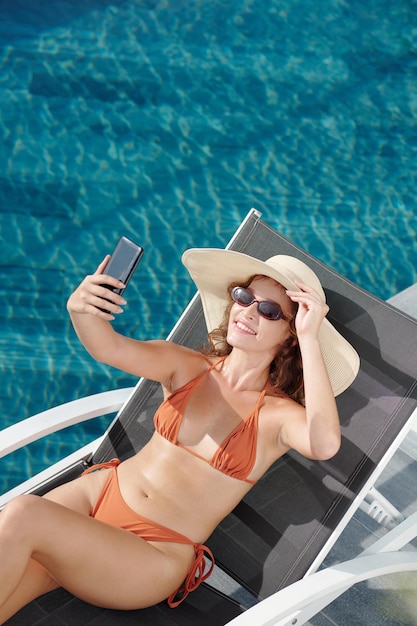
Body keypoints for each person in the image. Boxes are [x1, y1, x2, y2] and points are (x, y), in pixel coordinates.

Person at [0, 247, 359, 623]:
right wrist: (80, 309)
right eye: (244, 297)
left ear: (288, 335)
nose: (250, 311)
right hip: (98, 494)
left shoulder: (277, 415)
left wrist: (310, 337)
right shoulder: (187, 366)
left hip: (153, 553)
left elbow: (324, 442)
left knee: (24, 514)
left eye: (269, 311)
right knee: (25, 567)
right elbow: (107, 347)